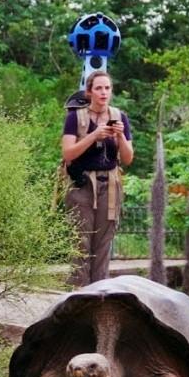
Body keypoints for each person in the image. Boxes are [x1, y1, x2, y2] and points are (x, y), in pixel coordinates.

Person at [62, 70, 134, 286]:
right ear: (90, 92)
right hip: (82, 184)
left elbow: (128, 158)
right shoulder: (75, 117)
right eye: (99, 88)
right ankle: (78, 294)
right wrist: (94, 136)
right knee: (81, 241)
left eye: (107, 88)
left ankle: (99, 294)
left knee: (103, 244)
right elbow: (68, 154)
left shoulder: (119, 117)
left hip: (109, 185)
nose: (104, 92)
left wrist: (120, 135)